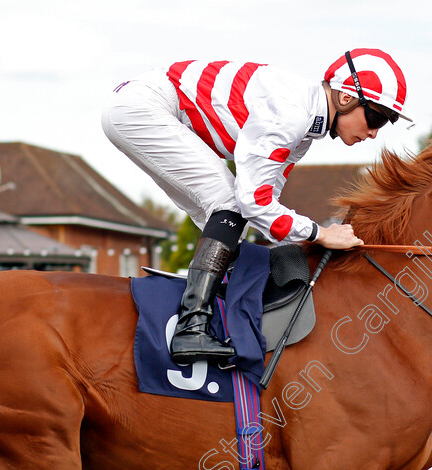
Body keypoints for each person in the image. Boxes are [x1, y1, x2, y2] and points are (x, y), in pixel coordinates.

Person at [102, 49, 412, 364]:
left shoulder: (304, 132)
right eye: (375, 117)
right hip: (144, 108)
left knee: (226, 215)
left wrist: (308, 246)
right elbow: (254, 202)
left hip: (148, 107)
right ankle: (190, 328)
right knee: (230, 204)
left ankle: (219, 304)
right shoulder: (291, 115)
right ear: (345, 96)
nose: (374, 132)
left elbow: (267, 203)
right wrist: (320, 234)